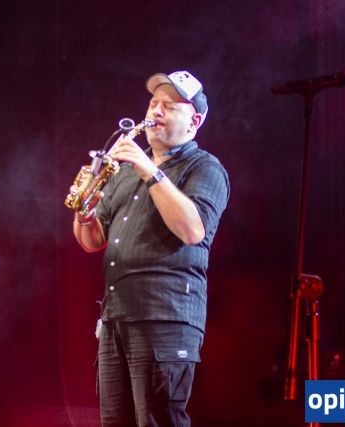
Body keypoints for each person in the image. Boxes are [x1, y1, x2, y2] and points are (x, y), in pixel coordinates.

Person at [71, 71, 229, 426]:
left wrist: (148, 170)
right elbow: (93, 241)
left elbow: (192, 230)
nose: (155, 111)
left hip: (165, 317)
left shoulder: (204, 167)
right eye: (153, 103)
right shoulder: (126, 171)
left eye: (168, 106)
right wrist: (84, 209)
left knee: (159, 420)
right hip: (116, 317)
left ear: (194, 121)